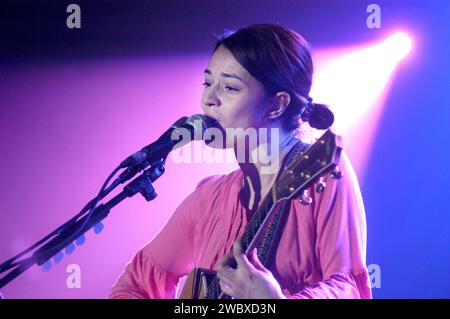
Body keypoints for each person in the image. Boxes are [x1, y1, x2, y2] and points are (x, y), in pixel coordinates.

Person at [109, 23, 372, 299]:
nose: (209, 100)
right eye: (208, 83)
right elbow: (134, 285)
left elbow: (348, 289)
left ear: (276, 105)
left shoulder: (322, 172)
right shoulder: (211, 199)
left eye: (230, 88)